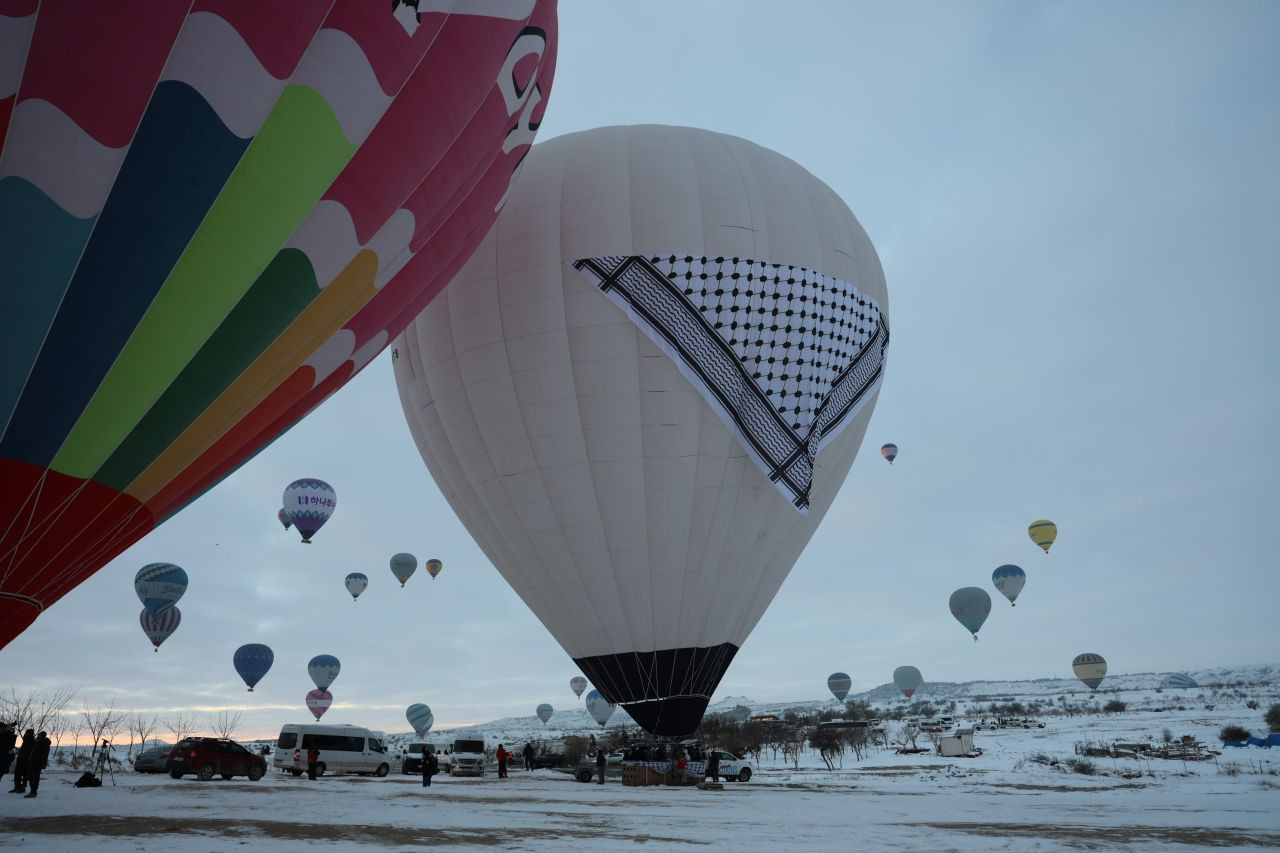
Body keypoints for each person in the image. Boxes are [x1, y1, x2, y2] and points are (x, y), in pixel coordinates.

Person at [24, 732, 50, 798]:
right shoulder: (39, 742)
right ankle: (33, 791)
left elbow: (41, 755)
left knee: (34, 778)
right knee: (32, 777)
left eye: (39, 735)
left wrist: (36, 762)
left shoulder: (43, 743)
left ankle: (33, 792)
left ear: (42, 736)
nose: (37, 736)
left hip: (36, 764)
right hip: (34, 763)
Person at [8, 728, 34, 793]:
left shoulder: (32, 742)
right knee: (17, 774)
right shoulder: (25, 741)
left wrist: (28, 760)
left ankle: (23, 787)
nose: (26, 734)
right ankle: (17, 787)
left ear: (31, 734)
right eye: (26, 733)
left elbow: (31, 753)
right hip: (20, 760)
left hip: (26, 761)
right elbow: (22, 751)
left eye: (28, 733)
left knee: (25, 775)